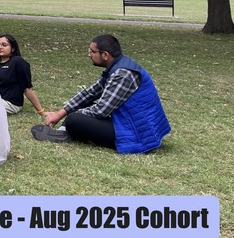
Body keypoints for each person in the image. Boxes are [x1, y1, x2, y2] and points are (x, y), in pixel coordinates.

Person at [40, 34, 171, 154]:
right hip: (127, 121)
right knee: (82, 105)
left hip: (136, 133)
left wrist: (72, 115)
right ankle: (65, 131)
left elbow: (101, 111)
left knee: (74, 119)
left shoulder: (123, 74)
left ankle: (66, 131)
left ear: (105, 55)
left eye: (92, 52)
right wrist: (59, 113)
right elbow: (89, 93)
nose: (89, 55)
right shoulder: (117, 66)